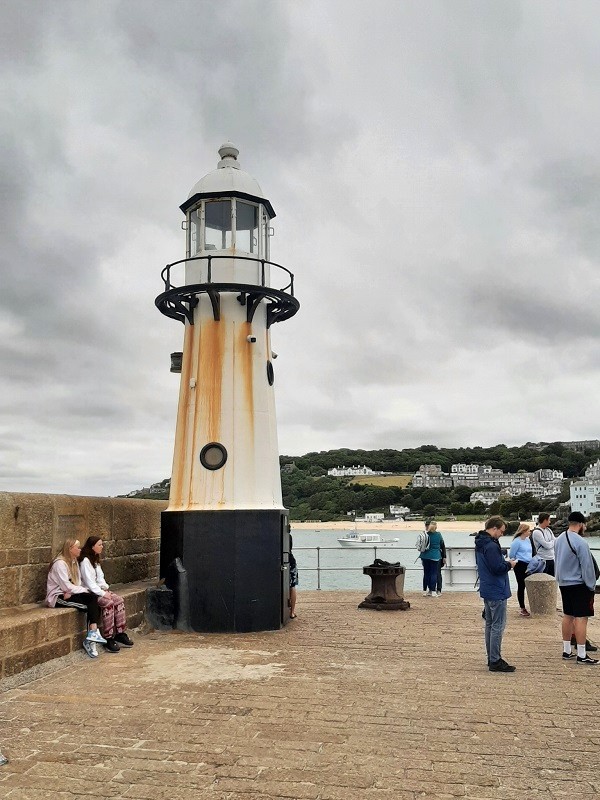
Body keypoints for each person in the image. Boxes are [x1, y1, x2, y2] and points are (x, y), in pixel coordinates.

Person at [46, 538, 107, 659]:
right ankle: (91, 640)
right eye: (77, 548)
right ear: (70, 549)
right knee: (91, 606)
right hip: (57, 597)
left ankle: (93, 634)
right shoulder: (60, 564)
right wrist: (82, 590)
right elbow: (66, 586)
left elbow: (77, 583)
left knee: (93, 598)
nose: (80, 549)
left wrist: (77, 590)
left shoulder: (73, 562)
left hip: (69, 593)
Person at [554, 511, 598, 665]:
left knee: (568, 615)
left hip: (563, 583)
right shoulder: (580, 542)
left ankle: (567, 650)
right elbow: (587, 567)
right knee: (581, 618)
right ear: (581, 524)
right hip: (578, 584)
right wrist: (591, 585)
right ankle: (581, 654)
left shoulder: (559, 539)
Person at [475, 516, 518, 672]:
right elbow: (497, 568)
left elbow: (488, 562)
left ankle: (491, 658)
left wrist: (501, 553)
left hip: (487, 588)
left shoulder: (481, 543)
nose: (501, 534)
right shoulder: (491, 546)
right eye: (501, 531)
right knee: (497, 626)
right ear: (494, 528)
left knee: (490, 624)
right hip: (496, 589)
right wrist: (510, 564)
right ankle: (495, 660)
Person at [78, 536, 134, 652]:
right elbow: (89, 582)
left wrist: (105, 588)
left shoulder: (95, 560)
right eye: (99, 545)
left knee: (119, 600)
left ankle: (120, 632)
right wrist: (102, 593)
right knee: (108, 603)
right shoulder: (85, 561)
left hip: (100, 590)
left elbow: (100, 578)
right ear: (92, 547)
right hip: (91, 592)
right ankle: (108, 637)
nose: (102, 547)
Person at [509, 523, 532, 617]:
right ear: (523, 531)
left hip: (529, 564)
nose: (529, 532)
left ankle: (531, 604)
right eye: (528, 531)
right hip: (520, 564)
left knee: (529, 584)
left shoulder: (528, 540)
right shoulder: (516, 542)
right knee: (521, 585)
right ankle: (522, 607)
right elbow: (512, 555)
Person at [420, 521, 443, 597]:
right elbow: (441, 544)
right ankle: (433, 590)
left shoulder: (425, 535)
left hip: (425, 556)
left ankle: (425, 590)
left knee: (426, 573)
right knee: (434, 573)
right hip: (435, 556)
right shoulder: (438, 535)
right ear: (435, 527)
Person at [289, 535, 298, 619]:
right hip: (291, 561)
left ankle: (291, 611)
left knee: (291, 586)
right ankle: (292, 612)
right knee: (292, 586)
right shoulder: (289, 536)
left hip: (288, 561)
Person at [437, 530, 447, 595]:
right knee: (437, 573)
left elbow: (443, 546)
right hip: (438, 556)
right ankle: (438, 589)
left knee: (437, 573)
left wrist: (444, 556)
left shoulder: (438, 535)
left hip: (437, 557)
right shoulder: (438, 535)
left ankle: (437, 589)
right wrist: (444, 556)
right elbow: (443, 546)